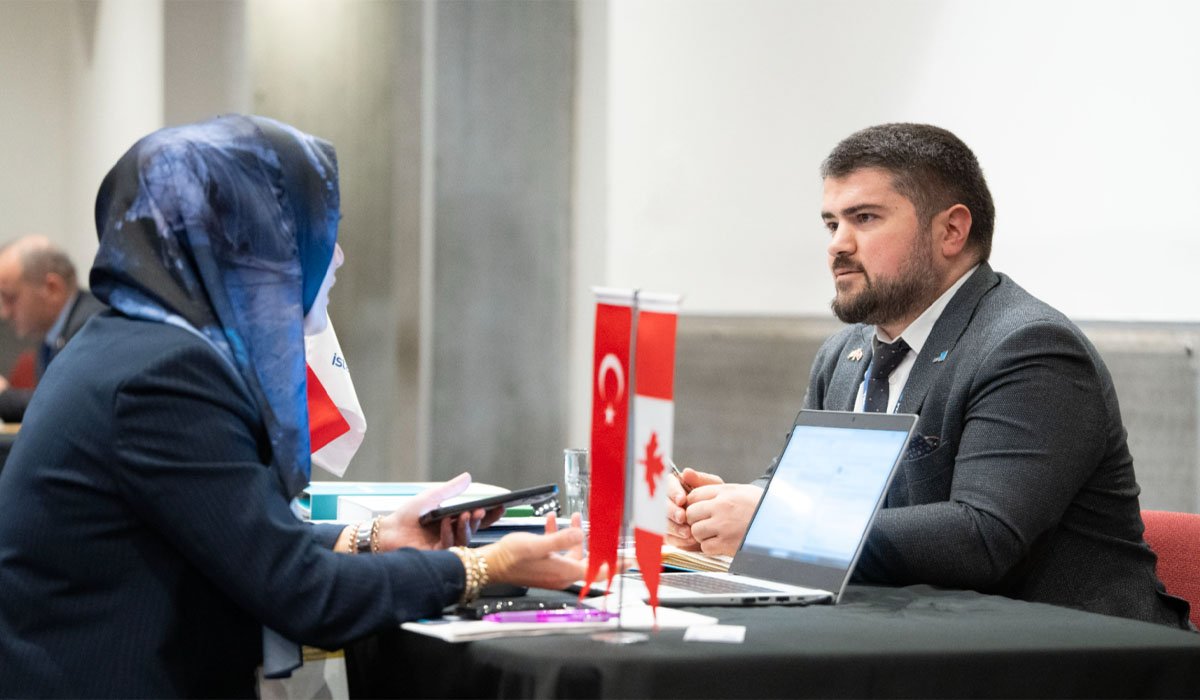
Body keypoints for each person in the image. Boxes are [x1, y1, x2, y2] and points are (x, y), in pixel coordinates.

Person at [0, 115, 587, 697]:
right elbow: (302, 593)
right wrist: (483, 567)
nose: (337, 258)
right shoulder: (167, 376)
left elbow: (241, 538)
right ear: (244, 246)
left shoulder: (127, 342)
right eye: (312, 232)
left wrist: (375, 536)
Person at [667, 123, 1192, 630]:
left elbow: (982, 537)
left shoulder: (1029, 347)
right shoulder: (844, 354)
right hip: (912, 635)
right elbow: (798, 490)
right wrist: (718, 513)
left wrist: (775, 521)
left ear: (951, 230)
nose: (837, 245)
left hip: (1078, 652)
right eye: (831, 224)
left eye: (864, 218)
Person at [0, 235, 106, 421]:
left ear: (52, 288)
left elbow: (67, 406)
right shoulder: (53, 334)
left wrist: (4, 397)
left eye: (10, 298)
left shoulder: (92, 325)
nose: (4, 313)